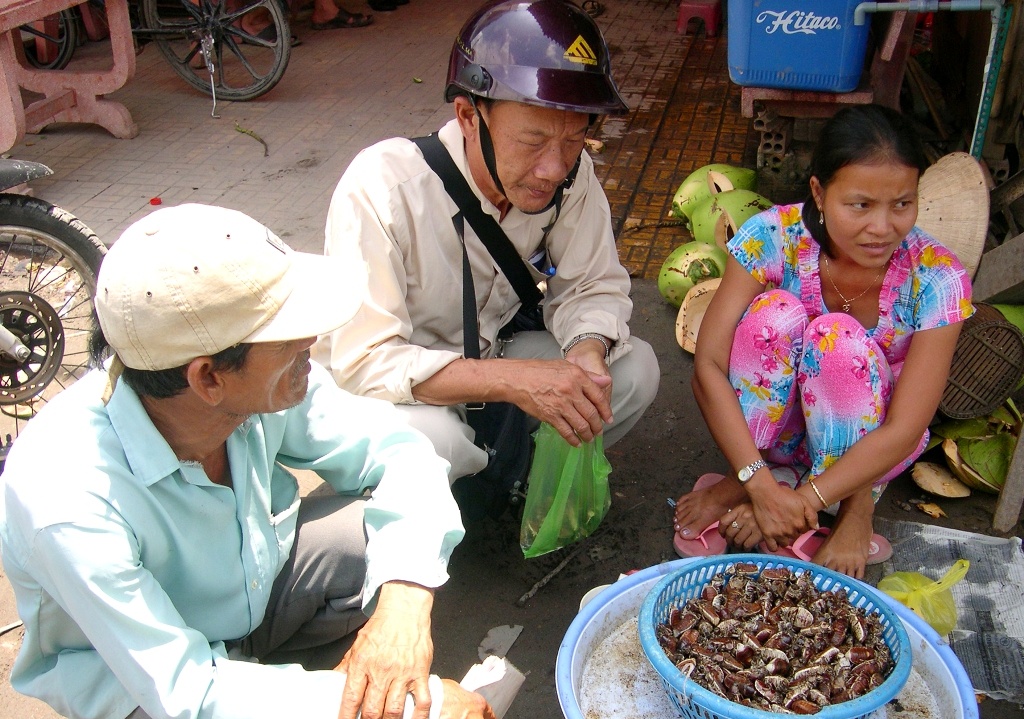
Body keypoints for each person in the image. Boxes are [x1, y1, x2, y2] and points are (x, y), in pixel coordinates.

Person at [0, 204, 496, 719]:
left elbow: (397, 452)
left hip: (252, 591)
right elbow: (192, 694)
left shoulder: (256, 389)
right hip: (139, 670)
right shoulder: (67, 497)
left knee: (381, 541)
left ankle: (280, 682)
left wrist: (404, 602)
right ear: (208, 376)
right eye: (287, 339)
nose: (311, 342)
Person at [314, 0, 660, 493]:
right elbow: (363, 361)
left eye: (574, 139)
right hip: (400, 395)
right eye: (533, 140)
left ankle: (521, 484)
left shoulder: (571, 178)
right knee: (436, 441)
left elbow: (592, 284)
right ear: (469, 115)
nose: (554, 168)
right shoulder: (383, 187)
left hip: (496, 353)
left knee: (633, 370)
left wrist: (587, 351)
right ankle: (421, 525)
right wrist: (513, 380)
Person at [672, 104, 974, 579]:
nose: (883, 227)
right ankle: (751, 475)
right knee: (774, 314)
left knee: (836, 340)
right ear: (818, 191)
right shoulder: (772, 237)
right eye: (860, 205)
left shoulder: (938, 277)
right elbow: (707, 364)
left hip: (870, 446)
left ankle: (854, 507)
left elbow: (906, 425)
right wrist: (760, 487)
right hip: (777, 434)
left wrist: (800, 502)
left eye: (902, 204)